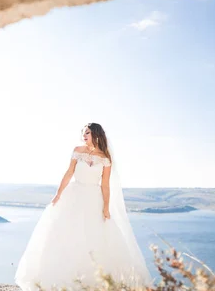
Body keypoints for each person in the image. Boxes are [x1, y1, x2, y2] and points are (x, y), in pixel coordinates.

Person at [14, 123, 152, 290]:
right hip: (74, 195)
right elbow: (69, 172)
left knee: (95, 236)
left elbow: (105, 185)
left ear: (96, 134)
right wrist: (58, 194)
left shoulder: (105, 158)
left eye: (88, 133)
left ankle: (95, 280)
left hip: (95, 199)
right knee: (68, 233)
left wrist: (106, 207)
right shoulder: (77, 150)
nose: (84, 135)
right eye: (83, 133)